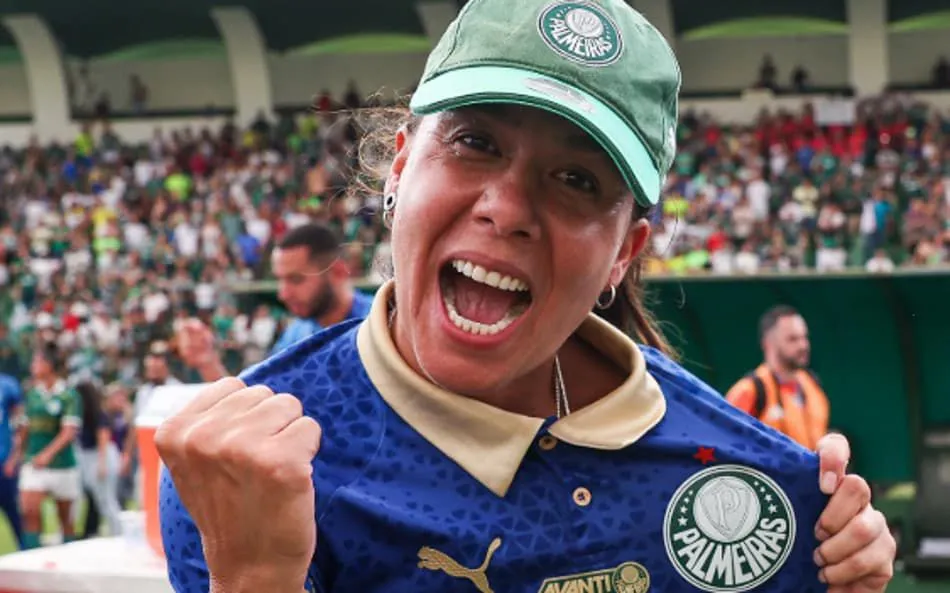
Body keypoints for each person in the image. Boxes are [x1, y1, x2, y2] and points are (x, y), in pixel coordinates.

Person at [157, 1, 896, 592]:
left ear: (624, 254)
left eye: (577, 179)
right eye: (476, 141)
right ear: (400, 166)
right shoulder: (247, 472)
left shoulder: (741, 490)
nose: (507, 208)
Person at [177, 222, 375, 382]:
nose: (283, 294)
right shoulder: (297, 334)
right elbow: (256, 406)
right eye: (280, 280)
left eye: (296, 279)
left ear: (338, 272)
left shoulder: (381, 322)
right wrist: (208, 363)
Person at [7, 344, 82, 549]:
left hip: (63, 465)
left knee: (65, 520)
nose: (33, 365)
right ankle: (33, 559)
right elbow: (25, 428)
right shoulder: (31, 394)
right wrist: (15, 456)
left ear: (49, 365)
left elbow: (68, 432)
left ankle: (66, 562)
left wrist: (47, 454)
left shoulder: (68, 395)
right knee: (29, 512)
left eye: (37, 361)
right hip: (34, 464)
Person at [726, 305, 830, 451]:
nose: (803, 345)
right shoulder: (749, 391)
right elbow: (727, 445)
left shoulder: (812, 385)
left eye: (804, 337)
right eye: (792, 339)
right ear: (768, 344)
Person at [75, 381, 123, 538]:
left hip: (101, 455)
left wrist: (102, 464)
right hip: (89, 456)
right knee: (97, 499)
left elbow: (103, 436)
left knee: (107, 499)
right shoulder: (82, 413)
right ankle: (99, 530)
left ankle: (118, 533)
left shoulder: (97, 413)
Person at [0, 372, 24, 549]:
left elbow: (21, 423)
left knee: (15, 514)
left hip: (4, 461)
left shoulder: (7, 384)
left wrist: (15, 457)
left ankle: (26, 553)